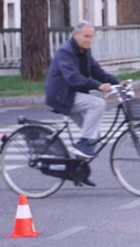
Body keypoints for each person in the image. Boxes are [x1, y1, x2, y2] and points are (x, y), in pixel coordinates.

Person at [45, 21, 120, 157]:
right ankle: (82, 144)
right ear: (75, 35)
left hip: (72, 95)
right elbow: (73, 78)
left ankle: (76, 169)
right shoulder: (65, 52)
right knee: (98, 104)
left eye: (91, 37)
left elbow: (97, 72)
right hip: (61, 96)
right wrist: (98, 86)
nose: (89, 40)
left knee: (94, 135)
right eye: (86, 36)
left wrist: (119, 83)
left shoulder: (84, 51)